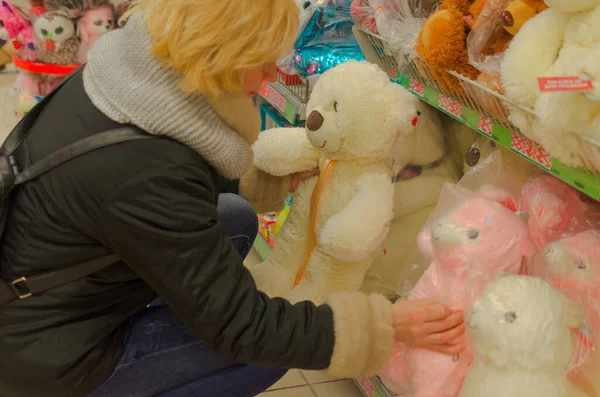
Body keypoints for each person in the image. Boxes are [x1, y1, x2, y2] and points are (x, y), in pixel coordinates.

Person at [0, 1, 465, 396]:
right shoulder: (145, 170)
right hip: (52, 354)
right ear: (220, 53)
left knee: (237, 217)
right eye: (261, 59)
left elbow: (168, 199)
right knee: (265, 354)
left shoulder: (125, 73)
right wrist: (383, 325)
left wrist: (271, 184)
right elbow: (245, 330)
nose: (271, 74)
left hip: (54, 282)